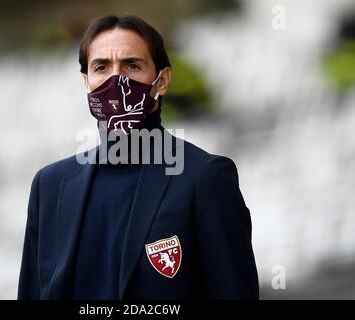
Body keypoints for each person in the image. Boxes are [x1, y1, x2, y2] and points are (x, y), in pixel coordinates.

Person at [18, 14, 259, 300]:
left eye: (132, 66)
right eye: (101, 67)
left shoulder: (204, 178)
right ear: (87, 82)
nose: (116, 80)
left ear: (163, 80)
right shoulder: (50, 187)